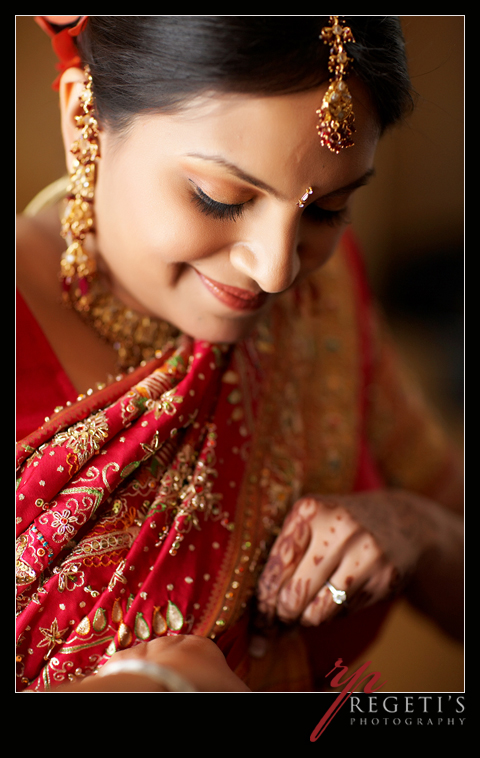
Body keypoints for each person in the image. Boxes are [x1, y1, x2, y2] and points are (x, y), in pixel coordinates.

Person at [16, 16, 463, 693]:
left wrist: (418, 531)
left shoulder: (324, 296)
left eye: (326, 212)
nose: (277, 270)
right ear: (85, 119)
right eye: (219, 198)